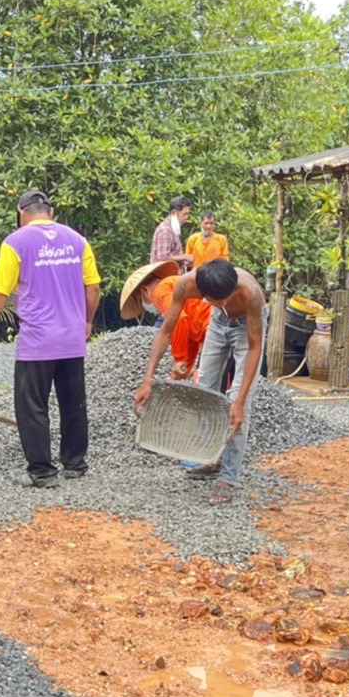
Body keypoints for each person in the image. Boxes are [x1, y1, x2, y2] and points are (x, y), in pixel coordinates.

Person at [0, 190, 101, 488]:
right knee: (73, 402)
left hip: (38, 340)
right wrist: (87, 321)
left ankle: (42, 471)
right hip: (72, 338)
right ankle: (75, 463)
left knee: (32, 405)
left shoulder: (16, 242)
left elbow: (0, 290)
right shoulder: (78, 240)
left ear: (21, 212)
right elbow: (93, 287)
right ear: (51, 211)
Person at [132, 259, 265, 499]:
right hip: (217, 323)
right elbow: (166, 331)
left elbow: (255, 347)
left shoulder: (250, 292)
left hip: (247, 325)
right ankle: (213, 459)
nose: (224, 303)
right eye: (217, 301)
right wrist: (147, 379)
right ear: (204, 294)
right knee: (203, 390)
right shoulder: (185, 285)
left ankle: (228, 477)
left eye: (226, 298)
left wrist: (240, 400)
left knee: (237, 403)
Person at [120, 260, 212, 380]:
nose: (145, 307)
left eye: (140, 301)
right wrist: (181, 372)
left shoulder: (159, 291)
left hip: (213, 328)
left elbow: (179, 319)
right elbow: (190, 338)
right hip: (215, 328)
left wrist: (179, 359)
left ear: (145, 291)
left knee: (201, 379)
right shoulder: (172, 285)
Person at [150, 195, 193, 272]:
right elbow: (162, 258)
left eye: (188, 214)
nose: (187, 217)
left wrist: (184, 262)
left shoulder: (173, 229)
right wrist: (185, 257)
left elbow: (172, 255)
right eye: (184, 214)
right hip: (164, 279)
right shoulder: (165, 230)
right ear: (174, 212)